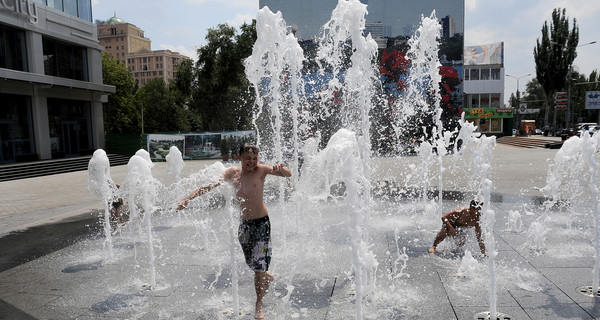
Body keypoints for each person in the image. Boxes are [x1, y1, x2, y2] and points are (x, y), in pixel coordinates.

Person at [177, 143, 291, 319]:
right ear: (240, 158)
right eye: (248, 158)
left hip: (261, 223)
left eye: (255, 158)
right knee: (250, 261)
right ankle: (265, 274)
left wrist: (281, 168)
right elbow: (209, 186)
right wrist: (187, 198)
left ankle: (258, 303)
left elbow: (288, 174)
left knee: (258, 267)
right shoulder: (232, 173)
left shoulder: (262, 170)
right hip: (244, 224)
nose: (252, 161)